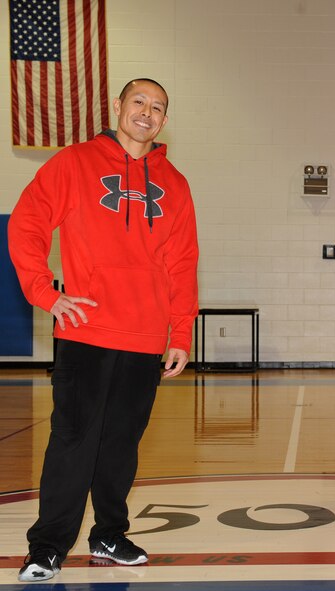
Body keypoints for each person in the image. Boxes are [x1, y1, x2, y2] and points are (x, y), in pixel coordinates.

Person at [8, 78, 199, 582]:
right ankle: (48, 545)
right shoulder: (74, 163)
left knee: (121, 443)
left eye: (158, 107)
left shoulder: (174, 184)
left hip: (144, 337)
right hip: (86, 330)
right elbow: (26, 222)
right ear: (117, 106)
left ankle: (110, 534)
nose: (147, 112)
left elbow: (183, 264)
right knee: (74, 440)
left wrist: (181, 332)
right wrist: (46, 293)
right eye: (139, 101)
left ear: (164, 120)